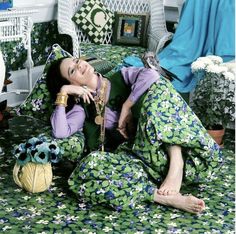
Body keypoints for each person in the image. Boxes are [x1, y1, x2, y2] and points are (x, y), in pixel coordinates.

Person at [46, 56, 223, 213]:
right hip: (140, 163)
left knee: (158, 89)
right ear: (72, 84)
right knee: (87, 168)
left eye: (77, 61)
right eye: (72, 71)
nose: (80, 66)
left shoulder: (120, 76)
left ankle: (176, 163)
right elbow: (60, 132)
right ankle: (164, 197)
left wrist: (127, 106)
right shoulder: (82, 108)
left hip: (178, 149)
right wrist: (63, 93)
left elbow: (153, 75)